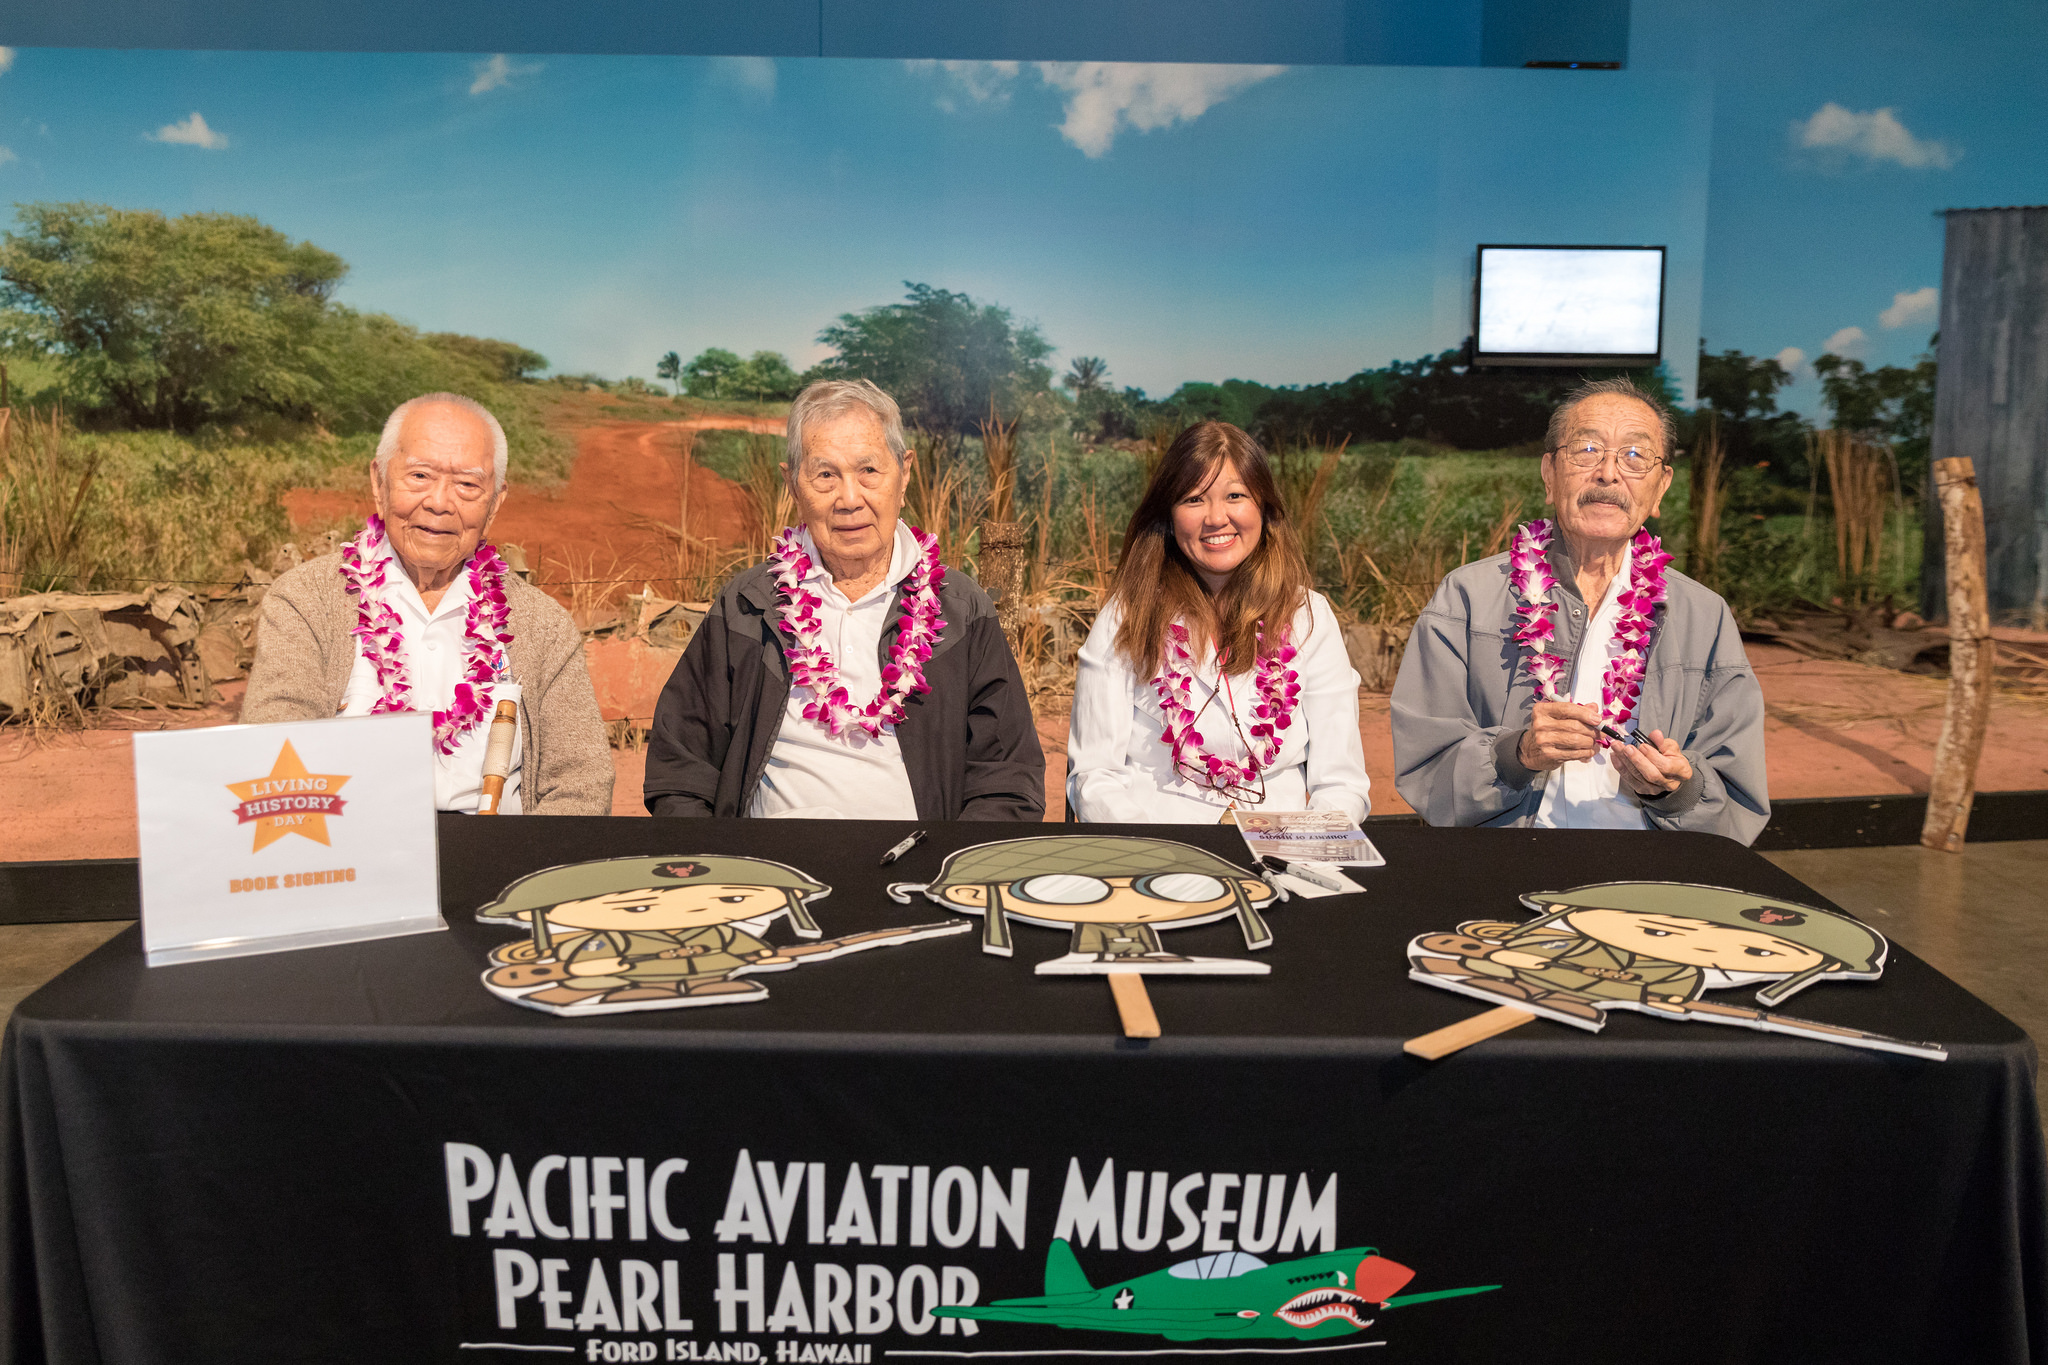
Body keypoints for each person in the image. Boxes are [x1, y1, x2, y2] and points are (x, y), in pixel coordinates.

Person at [643, 379, 1044, 819]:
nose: (849, 500)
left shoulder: (961, 609)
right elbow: (680, 767)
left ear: (905, 473)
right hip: (769, 865)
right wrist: (724, 868)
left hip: (915, 867)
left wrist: (947, 870)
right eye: (825, 475)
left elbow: (1007, 780)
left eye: (869, 471)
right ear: (792, 484)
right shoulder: (748, 604)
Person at [1390, 376, 1766, 842]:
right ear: (1549, 474)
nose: (1608, 474)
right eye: (1586, 450)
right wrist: (1518, 754)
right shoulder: (1466, 598)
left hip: (1648, 866)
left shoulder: (1703, 617)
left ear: (1661, 486)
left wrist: (1678, 790)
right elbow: (1424, 765)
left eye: (1634, 455)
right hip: (1505, 859)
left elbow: (1737, 793)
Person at [243, 392, 612, 814]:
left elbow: (581, 781)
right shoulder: (306, 602)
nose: (439, 502)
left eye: (468, 485)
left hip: (499, 863)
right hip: (353, 858)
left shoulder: (542, 625)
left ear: (495, 503)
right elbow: (272, 755)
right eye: (419, 476)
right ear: (378, 483)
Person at [1066, 420, 1370, 823]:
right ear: (1168, 516)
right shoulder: (1127, 616)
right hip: (1161, 849)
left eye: (1235, 495)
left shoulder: (1309, 616)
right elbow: (1094, 775)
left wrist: (1306, 850)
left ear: (1264, 507)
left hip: (1286, 848)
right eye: (1193, 499)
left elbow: (1341, 784)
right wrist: (1165, 855)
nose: (1215, 518)